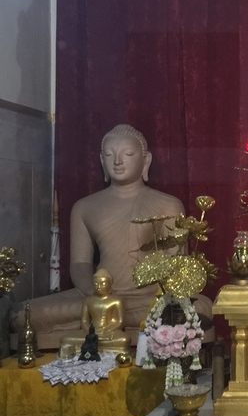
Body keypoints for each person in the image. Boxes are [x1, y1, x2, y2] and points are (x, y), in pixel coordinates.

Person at [14, 124, 212, 342]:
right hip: (100, 296)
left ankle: (113, 322)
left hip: (149, 297)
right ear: (101, 160)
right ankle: (117, 321)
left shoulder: (167, 204)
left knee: (200, 308)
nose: (118, 161)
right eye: (110, 155)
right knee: (22, 315)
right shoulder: (84, 207)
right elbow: (80, 264)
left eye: (128, 154)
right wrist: (96, 297)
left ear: (146, 160)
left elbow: (176, 265)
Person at [58, 269, 130, 358]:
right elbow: (84, 321)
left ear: (110, 284)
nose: (99, 287)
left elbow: (120, 321)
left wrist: (105, 330)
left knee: (124, 340)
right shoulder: (88, 300)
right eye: (96, 283)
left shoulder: (116, 300)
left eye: (103, 283)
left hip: (109, 332)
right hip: (90, 333)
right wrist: (89, 332)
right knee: (66, 340)